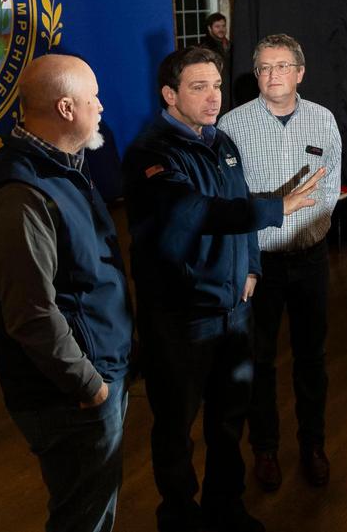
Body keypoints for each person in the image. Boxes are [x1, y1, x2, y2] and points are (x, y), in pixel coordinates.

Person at [123, 46, 324, 532]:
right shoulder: (152, 153)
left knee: (228, 421)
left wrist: (252, 266)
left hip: (234, 310)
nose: (213, 97)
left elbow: (235, 208)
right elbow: (195, 213)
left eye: (216, 85)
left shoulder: (222, 142)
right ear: (170, 95)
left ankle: (225, 506)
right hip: (181, 318)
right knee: (176, 427)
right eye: (199, 87)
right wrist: (278, 208)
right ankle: (179, 515)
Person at [0, 54, 134, 532]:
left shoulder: (62, 166)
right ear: (66, 109)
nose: (101, 107)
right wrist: (90, 386)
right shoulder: (21, 194)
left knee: (95, 507)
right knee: (81, 518)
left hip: (99, 369)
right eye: (93, 98)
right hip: (69, 395)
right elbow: (32, 314)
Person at [217, 34, 342, 492]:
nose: (273, 75)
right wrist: (256, 245)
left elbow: (330, 195)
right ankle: (265, 449)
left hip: (311, 260)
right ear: (256, 74)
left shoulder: (323, 120)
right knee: (259, 362)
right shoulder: (232, 125)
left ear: (300, 73)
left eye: (283, 66)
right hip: (259, 265)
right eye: (265, 68)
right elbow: (228, 202)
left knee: (313, 359)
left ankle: (313, 445)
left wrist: (304, 228)